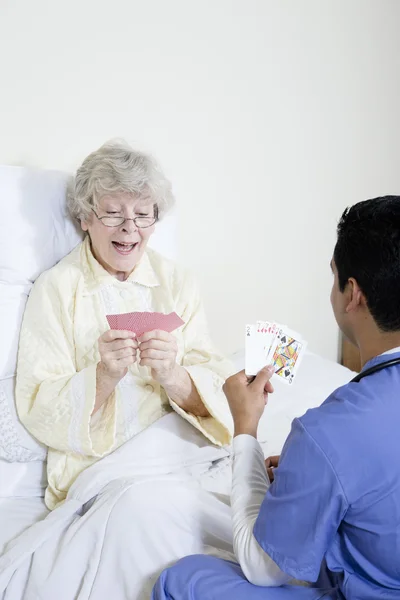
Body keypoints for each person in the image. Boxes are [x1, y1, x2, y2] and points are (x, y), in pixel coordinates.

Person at [152, 195, 400, 600]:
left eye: (333, 276)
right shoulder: (335, 439)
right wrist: (314, 473)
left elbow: (263, 569)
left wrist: (245, 428)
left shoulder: (330, 431)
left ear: (352, 293)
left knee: (185, 580)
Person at [16, 140, 233, 510]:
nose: (130, 228)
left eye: (143, 214)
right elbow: (38, 407)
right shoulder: (57, 288)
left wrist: (174, 376)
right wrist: (103, 377)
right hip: (104, 467)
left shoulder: (178, 282)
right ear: (85, 218)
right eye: (113, 213)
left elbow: (219, 391)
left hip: (179, 451)